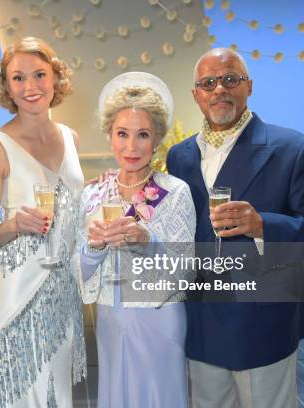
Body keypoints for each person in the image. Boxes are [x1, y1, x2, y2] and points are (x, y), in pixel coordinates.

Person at [167, 48, 304, 407]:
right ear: (196, 94)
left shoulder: (293, 149)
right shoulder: (179, 156)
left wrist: (264, 224)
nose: (219, 89)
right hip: (201, 319)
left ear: (248, 86)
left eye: (230, 79)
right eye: (208, 83)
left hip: (263, 320)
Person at [0, 37, 86, 408]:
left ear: (56, 78)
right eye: (18, 78)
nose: (30, 87)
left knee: (58, 389)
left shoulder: (70, 138)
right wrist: (14, 226)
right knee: (21, 394)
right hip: (17, 289)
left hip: (63, 287)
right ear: (7, 87)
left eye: (39, 75)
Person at [76, 72, 196, 408]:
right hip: (110, 320)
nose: (131, 146)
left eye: (142, 135)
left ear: (157, 138)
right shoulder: (93, 194)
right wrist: (93, 248)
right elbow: (78, 272)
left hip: (159, 319)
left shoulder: (175, 193)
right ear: (110, 136)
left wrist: (150, 242)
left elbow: (186, 272)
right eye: (122, 134)